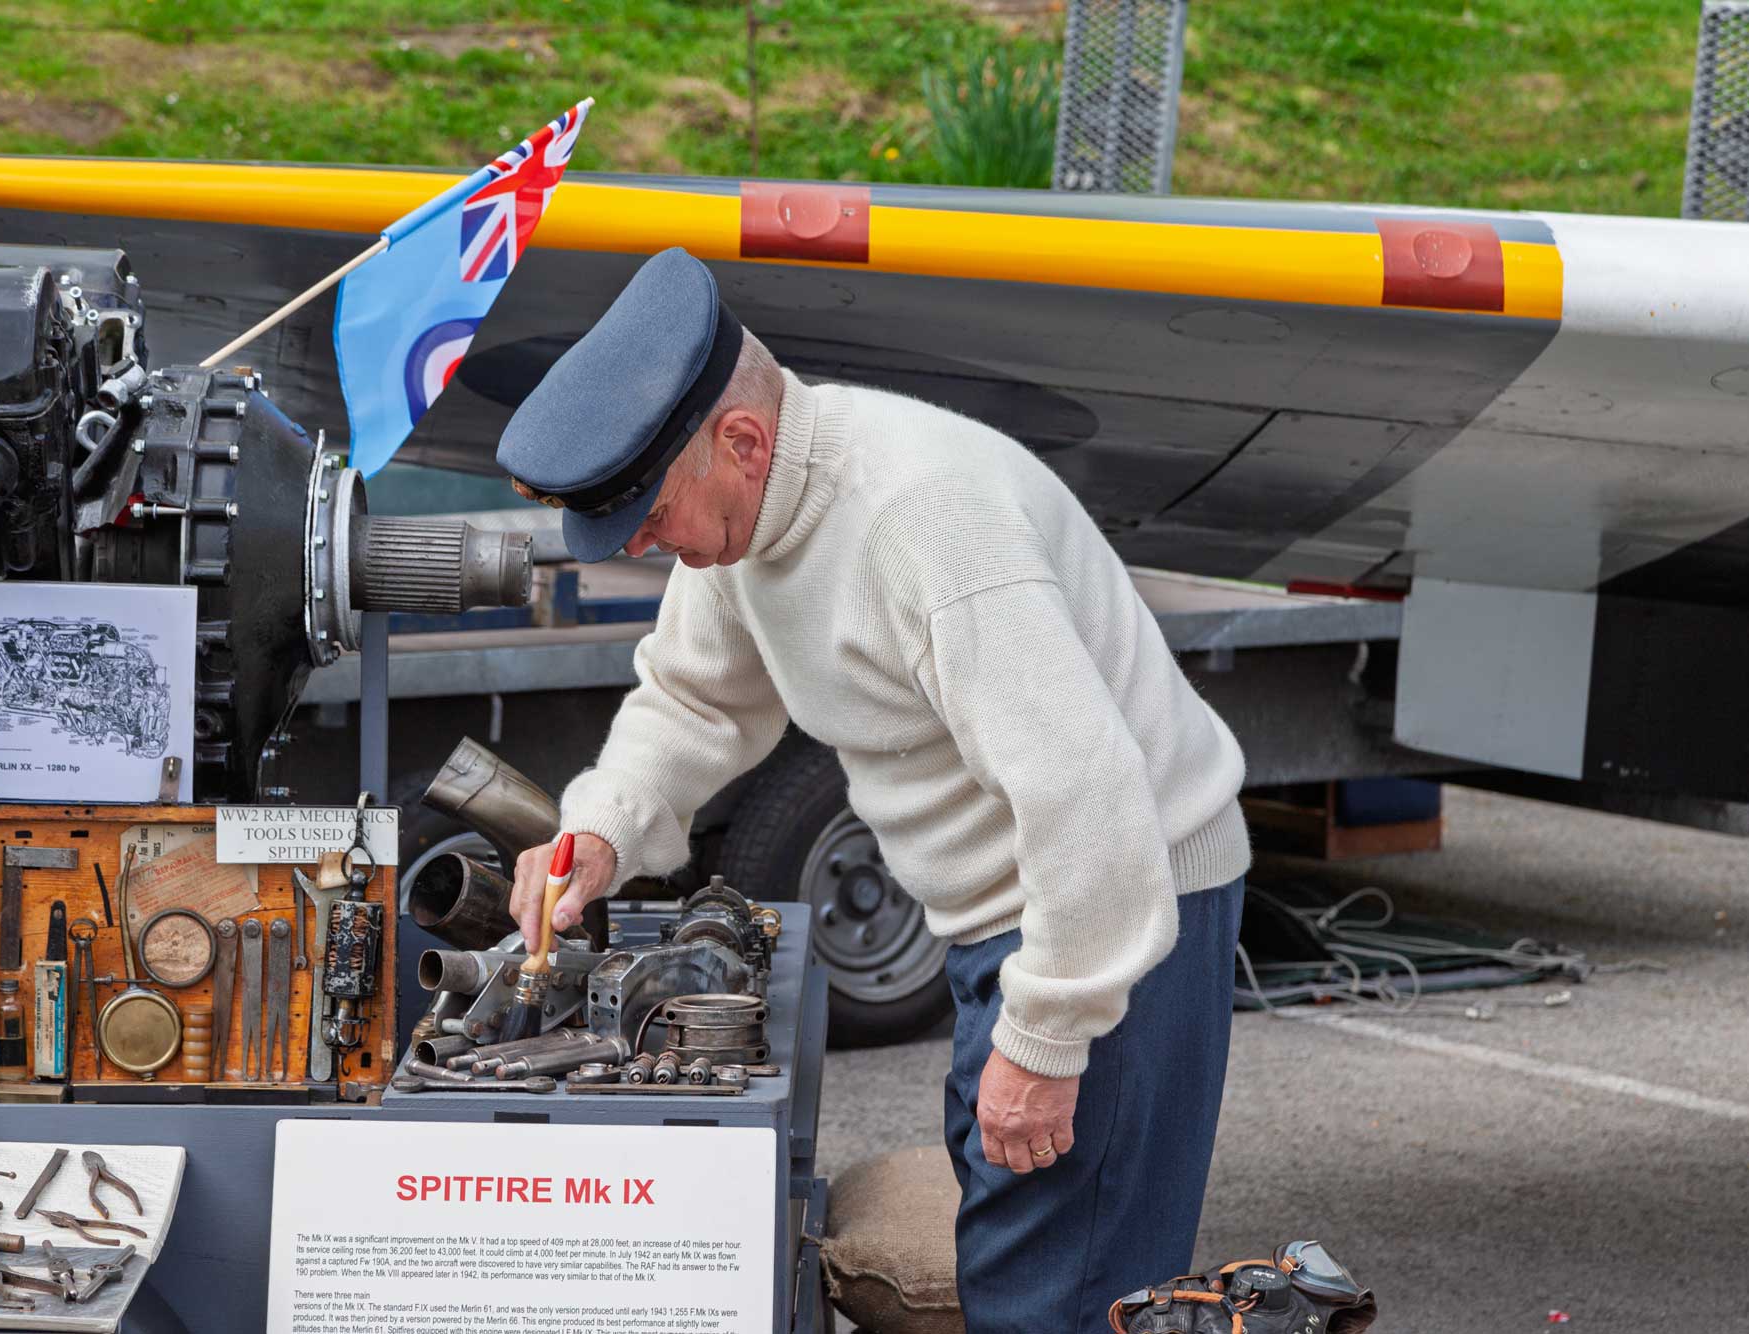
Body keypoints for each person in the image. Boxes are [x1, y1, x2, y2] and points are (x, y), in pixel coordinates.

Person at [499, 247, 1249, 1333]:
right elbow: (696, 699)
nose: (647, 546)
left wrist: (1041, 1038)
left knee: (1062, 1296)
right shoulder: (749, 516)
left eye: (649, 515)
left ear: (741, 440)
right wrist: (600, 826)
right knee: (1022, 1253)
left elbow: (1086, 791)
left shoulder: (919, 519)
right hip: (1014, 907)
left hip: (1121, 908)